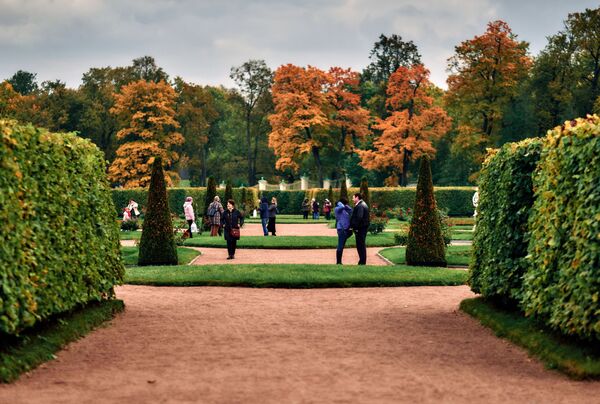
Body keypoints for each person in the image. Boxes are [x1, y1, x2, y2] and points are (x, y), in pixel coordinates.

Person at [349, 193, 370, 265]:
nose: (352, 199)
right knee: (360, 245)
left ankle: (362, 261)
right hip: (362, 228)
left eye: (353, 197)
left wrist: (355, 227)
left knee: (360, 245)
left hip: (360, 228)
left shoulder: (360, 205)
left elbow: (359, 217)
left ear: (357, 197)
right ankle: (361, 261)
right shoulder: (362, 204)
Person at [334, 198, 353, 265]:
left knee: (342, 245)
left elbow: (351, 210)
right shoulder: (337, 209)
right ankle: (338, 262)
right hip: (341, 229)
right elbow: (341, 206)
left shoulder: (344, 209)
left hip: (345, 229)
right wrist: (340, 203)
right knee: (340, 245)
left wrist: (345, 206)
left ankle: (339, 262)